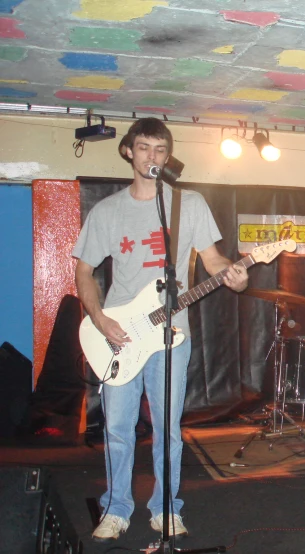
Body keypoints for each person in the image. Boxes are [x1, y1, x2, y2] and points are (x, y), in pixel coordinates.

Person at [72, 118, 248, 543]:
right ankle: (116, 509)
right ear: (129, 151)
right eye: (145, 148)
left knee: (167, 429)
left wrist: (235, 274)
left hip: (172, 335)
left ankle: (166, 508)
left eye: (160, 150)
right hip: (118, 333)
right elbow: (83, 270)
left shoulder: (188, 204)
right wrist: (100, 319)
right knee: (117, 427)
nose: (152, 156)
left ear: (168, 157)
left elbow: (213, 262)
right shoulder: (108, 211)